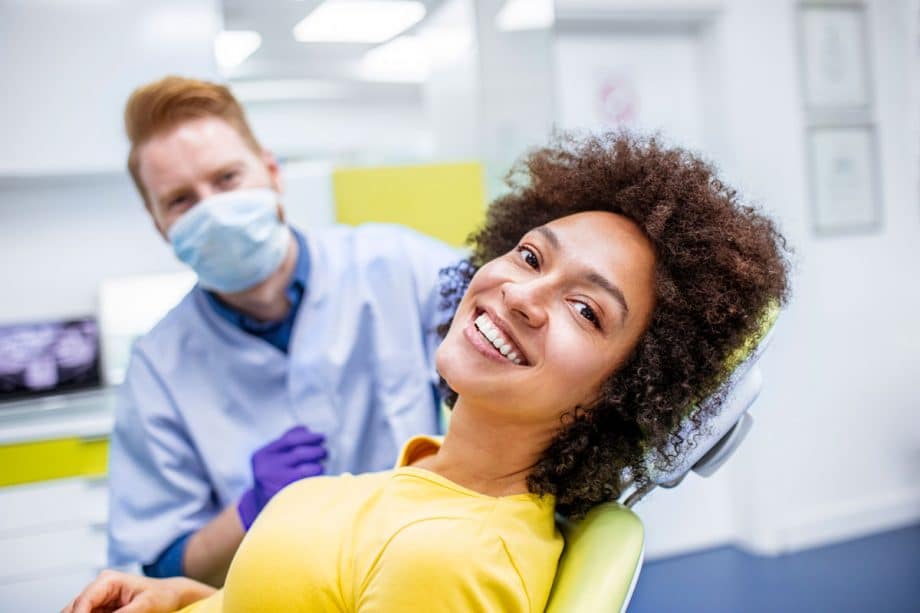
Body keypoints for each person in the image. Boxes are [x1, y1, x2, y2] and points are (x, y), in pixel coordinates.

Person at [66, 132, 790, 613]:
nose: (521, 294)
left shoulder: (453, 558)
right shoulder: (424, 484)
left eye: (585, 310)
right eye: (532, 257)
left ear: (624, 393)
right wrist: (184, 598)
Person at [106, 76, 461, 585]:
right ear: (158, 223)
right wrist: (252, 509)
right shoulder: (158, 368)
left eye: (227, 179)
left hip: (423, 574)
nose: (213, 210)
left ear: (272, 172)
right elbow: (161, 563)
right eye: (182, 200)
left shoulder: (401, 267)